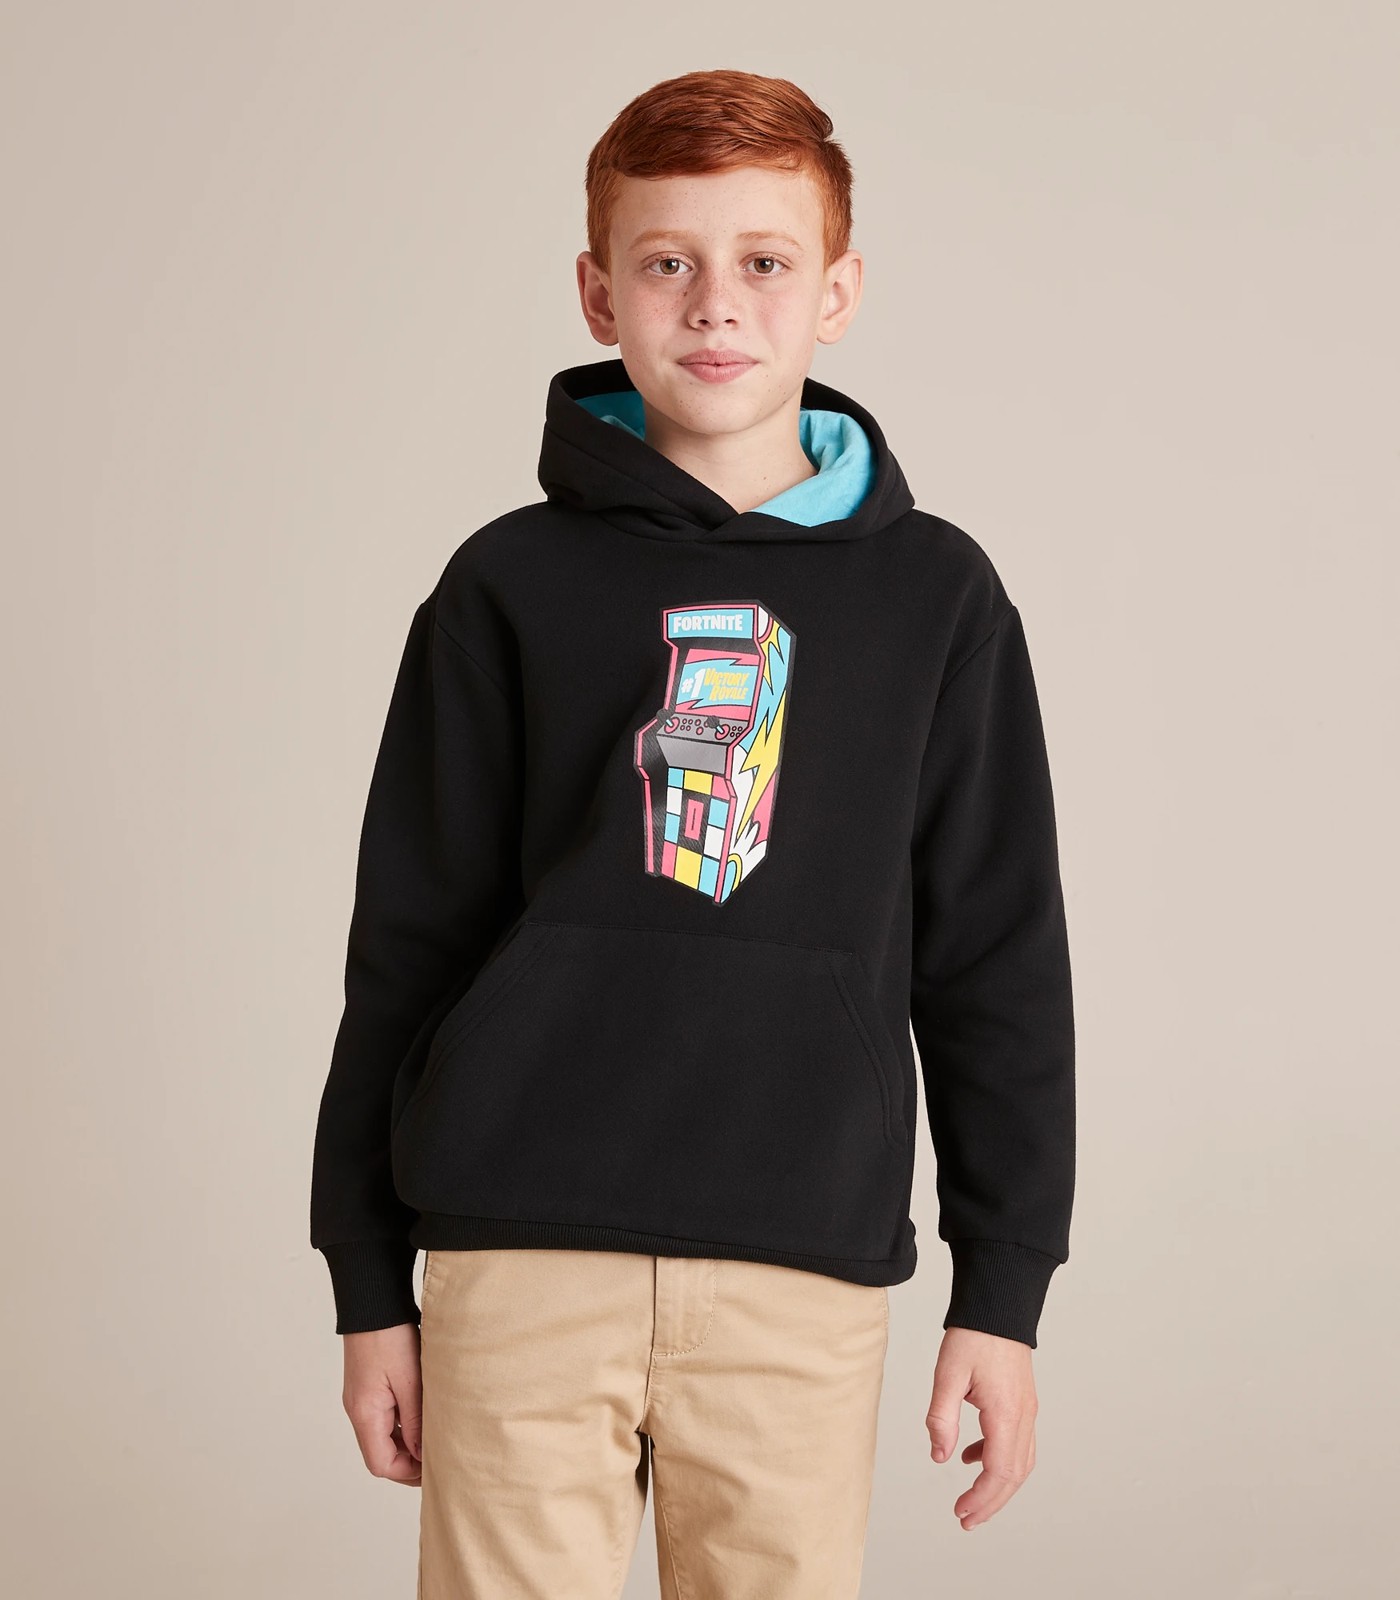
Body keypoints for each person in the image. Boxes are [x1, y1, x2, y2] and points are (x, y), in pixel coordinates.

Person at [309, 66, 1075, 1599]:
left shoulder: (937, 598)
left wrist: (1002, 1291)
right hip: (519, 1255)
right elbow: (406, 945)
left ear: (837, 291)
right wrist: (366, 1279)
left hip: (800, 1264)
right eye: (667, 261)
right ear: (600, 293)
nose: (716, 303)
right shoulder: (504, 587)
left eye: (765, 262)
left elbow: (996, 959)